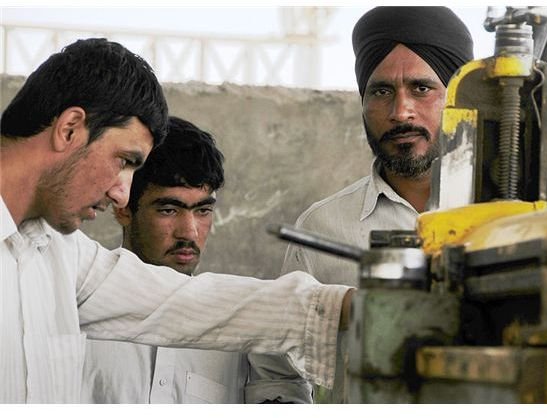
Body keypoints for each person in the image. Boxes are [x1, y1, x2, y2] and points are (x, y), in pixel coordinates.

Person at [0, 37, 353, 403]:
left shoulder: (61, 254)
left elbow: (188, 302)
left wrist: (355, 306)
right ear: (70, 128)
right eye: (123, 161)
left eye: (203, 209)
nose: (121, 193)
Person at [280, 7, 474, 402]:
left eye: (422, 89)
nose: (401, 112)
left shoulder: (544, 207)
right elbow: (277, 374)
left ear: (459, 99)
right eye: (382, 91)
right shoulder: (321, 228)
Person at [81, 116, 312, 403]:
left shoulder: (239, 326)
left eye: (202, 210)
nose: (189, 231)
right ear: (123, 208)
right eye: (168, 209)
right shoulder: (81, 313)